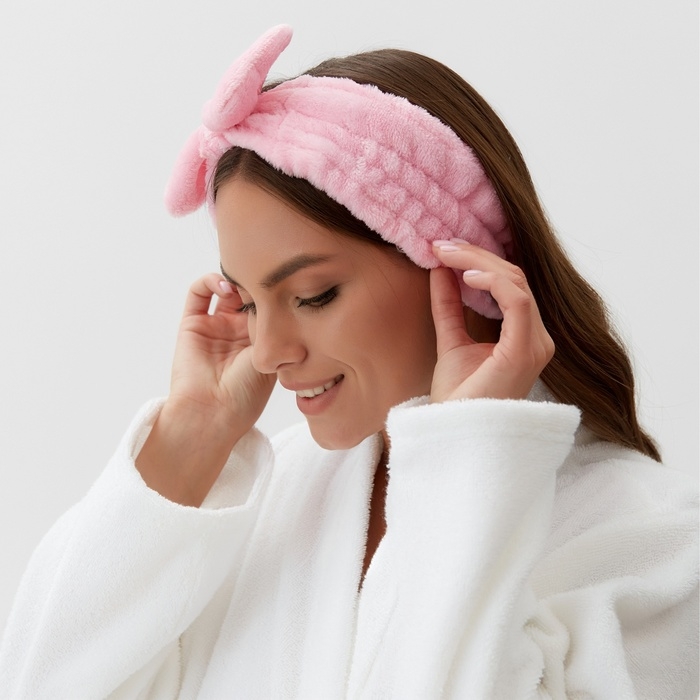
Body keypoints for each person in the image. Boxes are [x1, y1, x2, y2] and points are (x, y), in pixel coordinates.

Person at [0, 24, 696, 700]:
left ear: (462, 271)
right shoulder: (272, 505)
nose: (268, 353)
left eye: (313, 295)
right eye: (247, 301)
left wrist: (467, 460)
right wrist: (189, 439)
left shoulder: (653, 546)